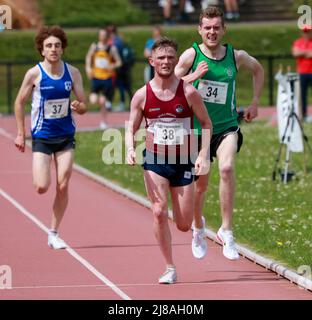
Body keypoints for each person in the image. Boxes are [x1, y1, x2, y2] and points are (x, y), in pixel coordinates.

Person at [175, 6, 264, 260]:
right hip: (197, 130)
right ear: (199, 29)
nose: (212, 32)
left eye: (216, 27)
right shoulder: (190, 55)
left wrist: (255, 101)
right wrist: (194, 75)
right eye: (207, 28)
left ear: (224, 29)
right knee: (200, 185)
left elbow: (258, 70)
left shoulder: (236, 56)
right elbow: (169, 84)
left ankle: (226, 231)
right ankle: (198, 227)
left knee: (226, 169)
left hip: (226, 127)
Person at [126, 37, 212, 284]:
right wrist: (131, 149)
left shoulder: (189, 92)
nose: (165, 61)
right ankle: (169, 267)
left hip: (184, 160)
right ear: (152, 61)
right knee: (159, 211)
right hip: (155, 160)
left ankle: (197, 221)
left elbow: (206, 123)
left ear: (176, 61)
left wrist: (203, 154)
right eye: (160, 58)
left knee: (183, 224)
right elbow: (130, 128)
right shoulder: (142, 95)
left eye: (170, 57)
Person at [14, 26, 87, 249]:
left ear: (62, 48)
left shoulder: (73, 73)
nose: (53, 49)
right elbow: (19, 102)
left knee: (63, 185)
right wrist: (20, 132)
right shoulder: (34, 74)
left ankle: (53, 232)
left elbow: (84, 105)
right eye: (49, 46)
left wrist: (78, 106)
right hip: (42, 137)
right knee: (41, 186)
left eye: (57, 45)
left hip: (65, 136)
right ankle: (41, 180)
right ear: (42, 50)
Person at [85, 28, 122, 129]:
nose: (103, 37)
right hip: (96, 77)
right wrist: (88, 68)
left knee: (102, 101)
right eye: (101, 35)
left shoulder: (111, 48)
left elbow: (119, 62)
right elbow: (88, 57)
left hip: (107, 78)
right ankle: (107, 104)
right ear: (99, 36)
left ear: (107, 36)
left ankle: (104, 122)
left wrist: (112, 66)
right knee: (93, 100)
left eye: (104, 35)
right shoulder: (94, 47)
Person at [292, 25, 312, 122]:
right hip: (302, 73)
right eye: (305, 32)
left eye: (308, 32)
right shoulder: (298, 42)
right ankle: (303, 115)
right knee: (302, 95)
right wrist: (307, 52)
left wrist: (302, 52)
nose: (306, 34)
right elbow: (295, 53)